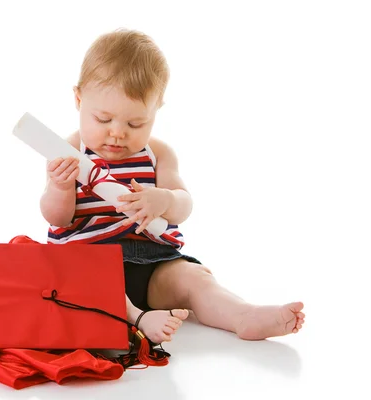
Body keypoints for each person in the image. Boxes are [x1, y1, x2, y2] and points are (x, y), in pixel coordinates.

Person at [39, 28, 305, 344]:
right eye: (103, 119)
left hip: (154, 264)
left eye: (135, 123)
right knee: (80, 280)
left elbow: (184, 204)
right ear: (79, 99)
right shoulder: (70, 152)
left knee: (194, 280)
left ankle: (243, 315)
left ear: (156, 111)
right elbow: (56, 219)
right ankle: (136, 318)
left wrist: (164, 200)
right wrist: (60, 186)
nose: (117, 133)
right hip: (93, 260)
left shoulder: (158, 154)